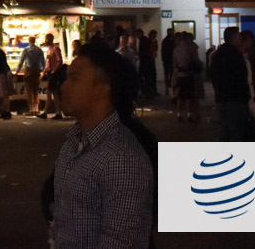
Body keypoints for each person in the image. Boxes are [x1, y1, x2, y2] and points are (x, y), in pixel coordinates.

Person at [48, 41, 155, 249]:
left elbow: (119, 241)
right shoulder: (73, 143)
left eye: (74, 78)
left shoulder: (122, 158)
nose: (63, 86)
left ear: (103, 89)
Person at [209, 27, 251, 141]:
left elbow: (213, 75)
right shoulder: (236, 55)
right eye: (238, 36)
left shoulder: (217, 55)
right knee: (236, 131)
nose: (240, 39)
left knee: (226, 130)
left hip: (221, 97)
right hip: (235, 99)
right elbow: (242, 77)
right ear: (233, 37)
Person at [172, 32, 203, 122]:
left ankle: (179, 114)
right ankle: (189, 114)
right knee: (190, 96)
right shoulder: (191, 47)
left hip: (179, 75)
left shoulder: (176, 49)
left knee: (180, 97)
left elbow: (174, 64)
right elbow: (196, 61)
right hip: (189, 74)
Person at [42, 33, 67, 119]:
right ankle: (47, 112)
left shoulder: (55, 49)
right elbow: (48, 62)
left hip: (54, 74)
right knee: (51, 93)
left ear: (50, 39)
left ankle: (56, 112)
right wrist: (44, 71)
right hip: (50, 73)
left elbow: (59, 61)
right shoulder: (49, 49)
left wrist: (54, 71)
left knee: (53, 92)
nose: (45, 41)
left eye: (46, 39)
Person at [19, 36, 45, 115]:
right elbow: (43, 62)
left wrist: (17, 71)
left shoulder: (26, 50)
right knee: (35, 91)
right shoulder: (40, 50)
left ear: (29, 41)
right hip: (36, 71)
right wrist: (43, 71)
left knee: (29, 90)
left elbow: (21, 62)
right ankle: (36, 109)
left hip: (28, 71)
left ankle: (31, 109)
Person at [160, 27, 176, 96]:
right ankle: (170, 88)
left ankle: (168, 89)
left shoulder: (165, 40)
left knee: (167, 74)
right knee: (171, 75)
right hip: (170, 59)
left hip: (167, 59)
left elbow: (163, 51)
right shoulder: (172, 41)